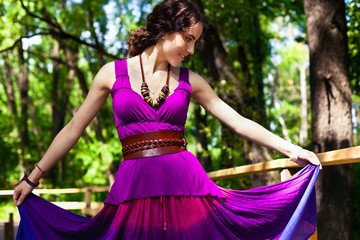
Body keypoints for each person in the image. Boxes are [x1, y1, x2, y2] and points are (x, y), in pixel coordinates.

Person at [13, 0, 321, 239]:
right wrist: (33, 177)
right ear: (165, 29)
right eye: (188, 39)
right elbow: (72, 129)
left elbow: (238, 121)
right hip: (133, 188)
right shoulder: (110, 73)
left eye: (196, 42)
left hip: (187, 188)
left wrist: (292, 150)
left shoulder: (192, 80)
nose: (191, 49)